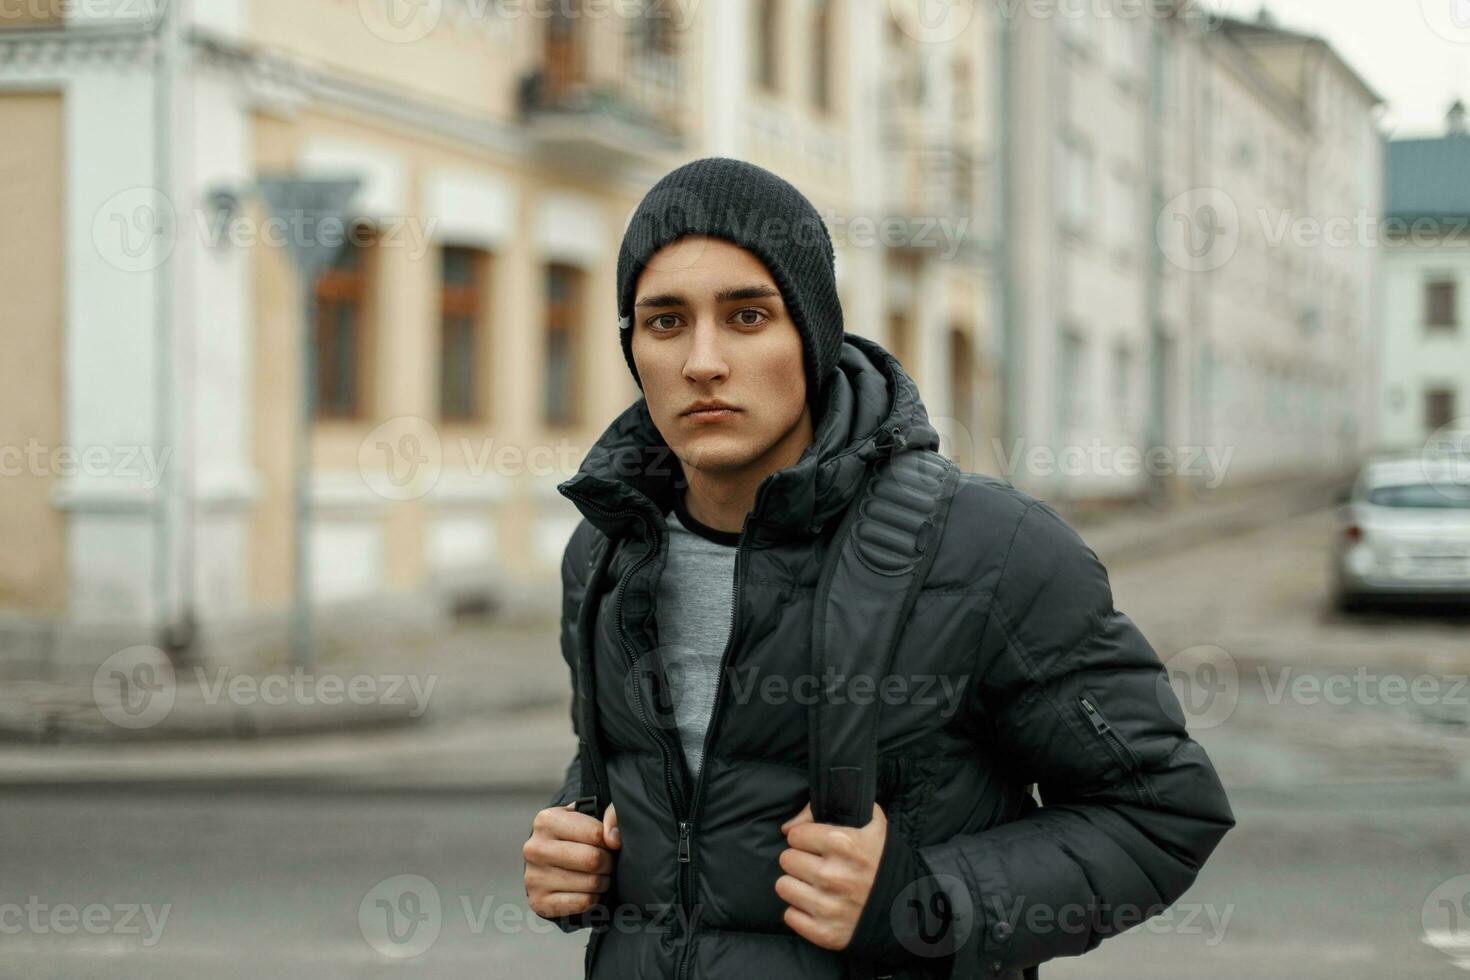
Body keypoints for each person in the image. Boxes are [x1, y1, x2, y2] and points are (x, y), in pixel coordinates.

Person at [522, 156, 1234, 980]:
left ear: (813, 336)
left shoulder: (988, 549)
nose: (703, 362)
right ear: (633, 346)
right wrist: (579, 833)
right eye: (666, 321)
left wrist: (927, 900)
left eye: (748, 316)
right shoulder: (607, 550)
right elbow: (647, 772)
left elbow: (1161, 810)